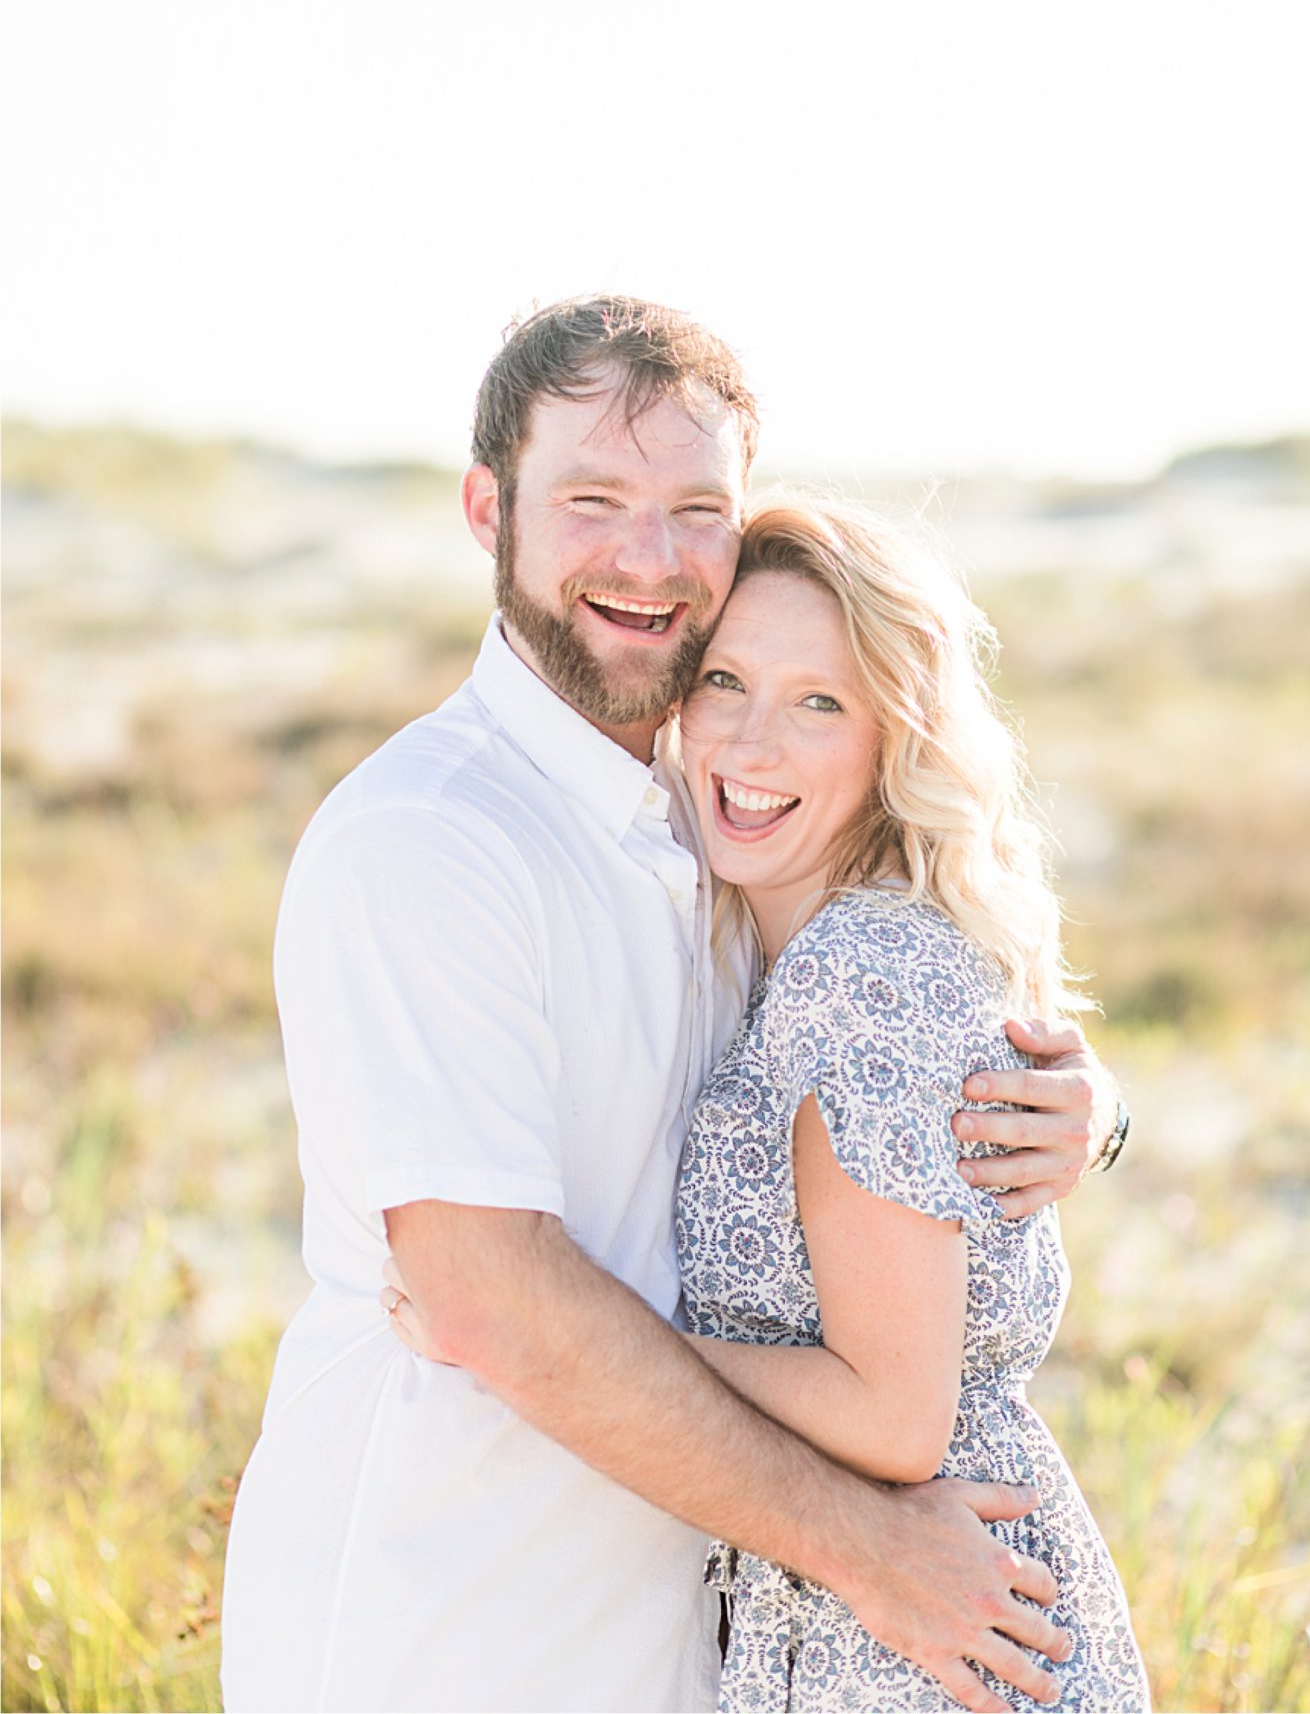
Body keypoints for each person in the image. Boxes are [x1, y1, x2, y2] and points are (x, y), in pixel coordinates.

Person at [221, 297, 1126, 1714]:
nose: (647, 558)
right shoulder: (430, 837)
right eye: (592, 498)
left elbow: (875, 1061)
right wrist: (872, 1552)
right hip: (449, 1632)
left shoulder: (707, 831)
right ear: (486, 509)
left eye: (695, 508)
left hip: (687, 1645)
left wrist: (1071, 1110)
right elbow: (490, 1300)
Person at [669, 496, 1149, 1710]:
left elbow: (893, 1417)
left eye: (819, 700)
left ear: (898, 737)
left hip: (920, 1631)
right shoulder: (779, 940)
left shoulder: (862, 975)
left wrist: (616, 1353)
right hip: (876, 1606)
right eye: (724, 679)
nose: (750, 742)